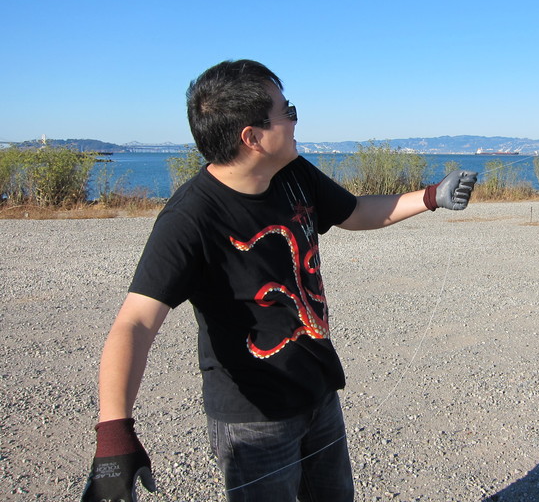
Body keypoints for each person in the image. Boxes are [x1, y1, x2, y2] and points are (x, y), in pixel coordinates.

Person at [81, 59, 477, 502]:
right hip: (255, 419)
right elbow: (135, 321)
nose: (294, 118)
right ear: (251, 137)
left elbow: (356, 212)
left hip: (318, 391)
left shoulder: (293, 174)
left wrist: (430, 196)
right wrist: (114, 436)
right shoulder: (189, 218)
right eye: (285, 110)